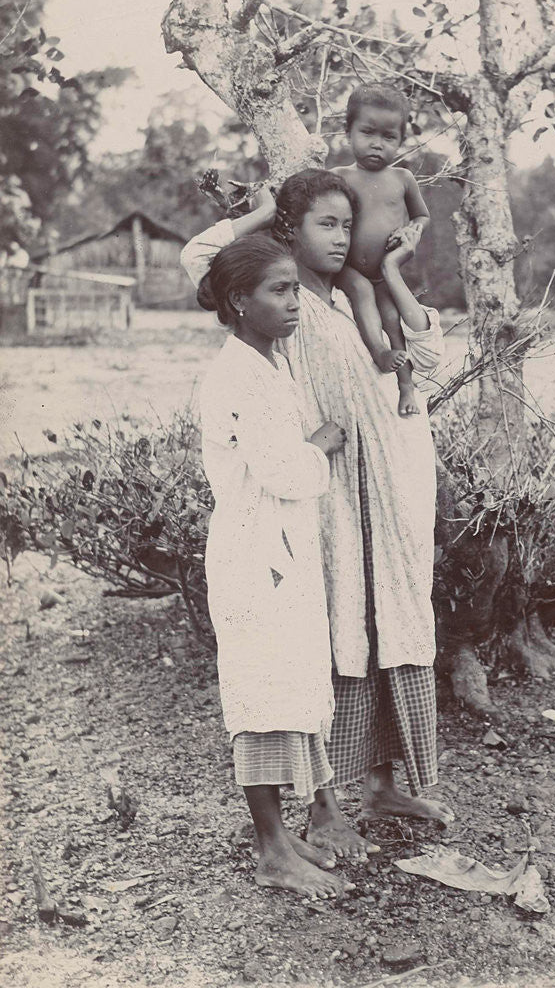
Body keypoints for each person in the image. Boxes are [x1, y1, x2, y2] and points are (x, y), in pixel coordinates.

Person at [182, 170, 454, 864]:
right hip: (325, 503)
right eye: (323, 225)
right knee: (336, 639)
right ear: (291, 231)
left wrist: (391, 271)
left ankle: (384, 786)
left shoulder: (357, 296)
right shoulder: (283, 304)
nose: (338, 239)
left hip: (392, 494)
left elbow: (430, 356)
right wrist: (263, 212)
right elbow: (196, 262)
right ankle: (326, 805)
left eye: (345, 224)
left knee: (394, 623)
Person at [197, 230, 353, 898]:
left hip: (276, 553)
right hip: (254, 557)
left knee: (289, 686)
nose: (294, 303)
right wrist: (319, 442)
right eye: (278, 290)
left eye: (295, 288)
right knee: (262, 695)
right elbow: (286, 470)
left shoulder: (267, 364)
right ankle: (270, 849)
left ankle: (284, 835)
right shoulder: (239, 376)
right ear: (239, 300)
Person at [331, 83, 430, 419]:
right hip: (348, 269)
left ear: (401, 142)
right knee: (360, 295)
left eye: (389, 137)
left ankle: (405, 386)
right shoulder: (338, 177)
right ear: (348, 133)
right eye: (367, 132)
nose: (377, 143)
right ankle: (378, 353)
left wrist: (409, 230)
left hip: (385, 271)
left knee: (392, 319)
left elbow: (421, 215)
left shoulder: (402, 179)